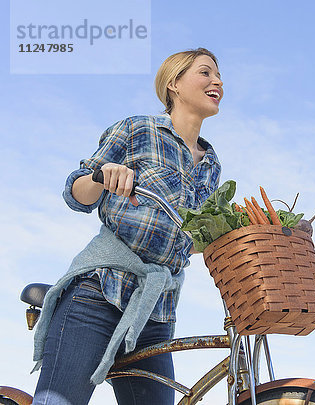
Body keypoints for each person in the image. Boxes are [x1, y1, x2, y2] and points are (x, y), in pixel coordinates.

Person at [31, 47, 224, 405]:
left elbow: (192, 239)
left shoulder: (212, 165)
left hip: (156, 309)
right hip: (99, 292)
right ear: (174, 83)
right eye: (205, 72)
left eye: (218, 75)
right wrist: (102, 176)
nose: (217, 81)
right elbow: (76, 194)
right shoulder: (138, 129)